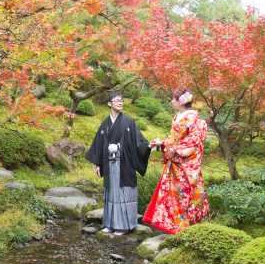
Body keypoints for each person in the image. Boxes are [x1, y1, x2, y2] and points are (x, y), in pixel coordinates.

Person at [143, 87, 210, 234]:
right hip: (174, 163)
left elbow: (193, 142)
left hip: (184, 165)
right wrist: (162, 143)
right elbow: (174, 140)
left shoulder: (193, 119)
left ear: (180, 101)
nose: (171, 102)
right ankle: (173, 227)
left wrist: (177, 150)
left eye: (173, 99)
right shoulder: (177, 117)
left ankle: (183, 229)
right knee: (171, 194)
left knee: (182, 195)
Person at [85, 90, 151, 235]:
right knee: (111, 194)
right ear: (109, 104)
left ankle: (124, 226)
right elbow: (99, 144)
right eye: (117, 100)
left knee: (124, 193)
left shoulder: (128, 121)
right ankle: (110, 223)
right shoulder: (105, 124)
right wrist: (98, 164)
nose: (120, 102)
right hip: (109, 164)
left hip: (124, 163)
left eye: (121, 100)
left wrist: (148, 146)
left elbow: (139, 142)